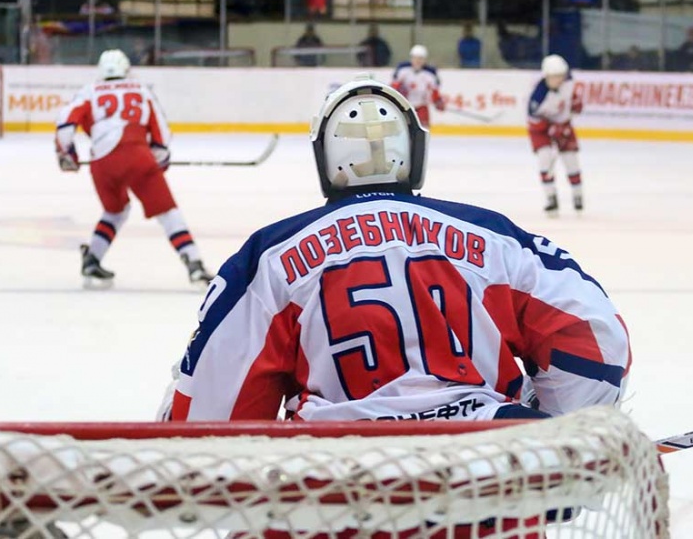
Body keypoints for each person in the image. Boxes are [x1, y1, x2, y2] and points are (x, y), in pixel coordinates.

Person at [161, 76, 630, 429]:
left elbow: (210, 409)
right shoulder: (497, 239)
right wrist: (558, 439)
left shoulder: (269, 258)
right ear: (415, 152)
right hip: (489, 477)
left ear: (325, 160)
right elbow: (596, 336)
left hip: (335, 490)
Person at [54, 50, 214, 288]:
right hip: (137, 156)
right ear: (126, 69)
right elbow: (161, 132)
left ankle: (92, 258)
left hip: (101, 163)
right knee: (167, 212)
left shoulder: (90, 90)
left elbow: (65, 122)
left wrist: (68, 153)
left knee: (115, 210)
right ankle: (194, 263)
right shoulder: (140, 89)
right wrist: (160, 159)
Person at [528, 55, 583, 214]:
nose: (559, 79)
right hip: (542, 131)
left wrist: (576, 106)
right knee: (545, 160)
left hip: (563, 126)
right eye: (555, 76)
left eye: (561, 75)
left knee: (571, 160)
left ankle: (578, 196)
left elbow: (574, 103)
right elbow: (533, 121)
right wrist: (550, 128)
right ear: (546, 76)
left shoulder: (569, 82)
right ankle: (550, 197)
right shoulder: (538, 97)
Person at [391, 44, 444, 127]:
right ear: (411, 58)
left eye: (420, 58)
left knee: (424, 129)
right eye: (415, 58)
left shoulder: (430, 74)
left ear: (425, 60)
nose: (417, 61)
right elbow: (394, 87)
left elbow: (435, 91)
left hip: (421, 106)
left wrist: (437, 101)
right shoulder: (403, 71)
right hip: (405, 106)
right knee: (404, 128)